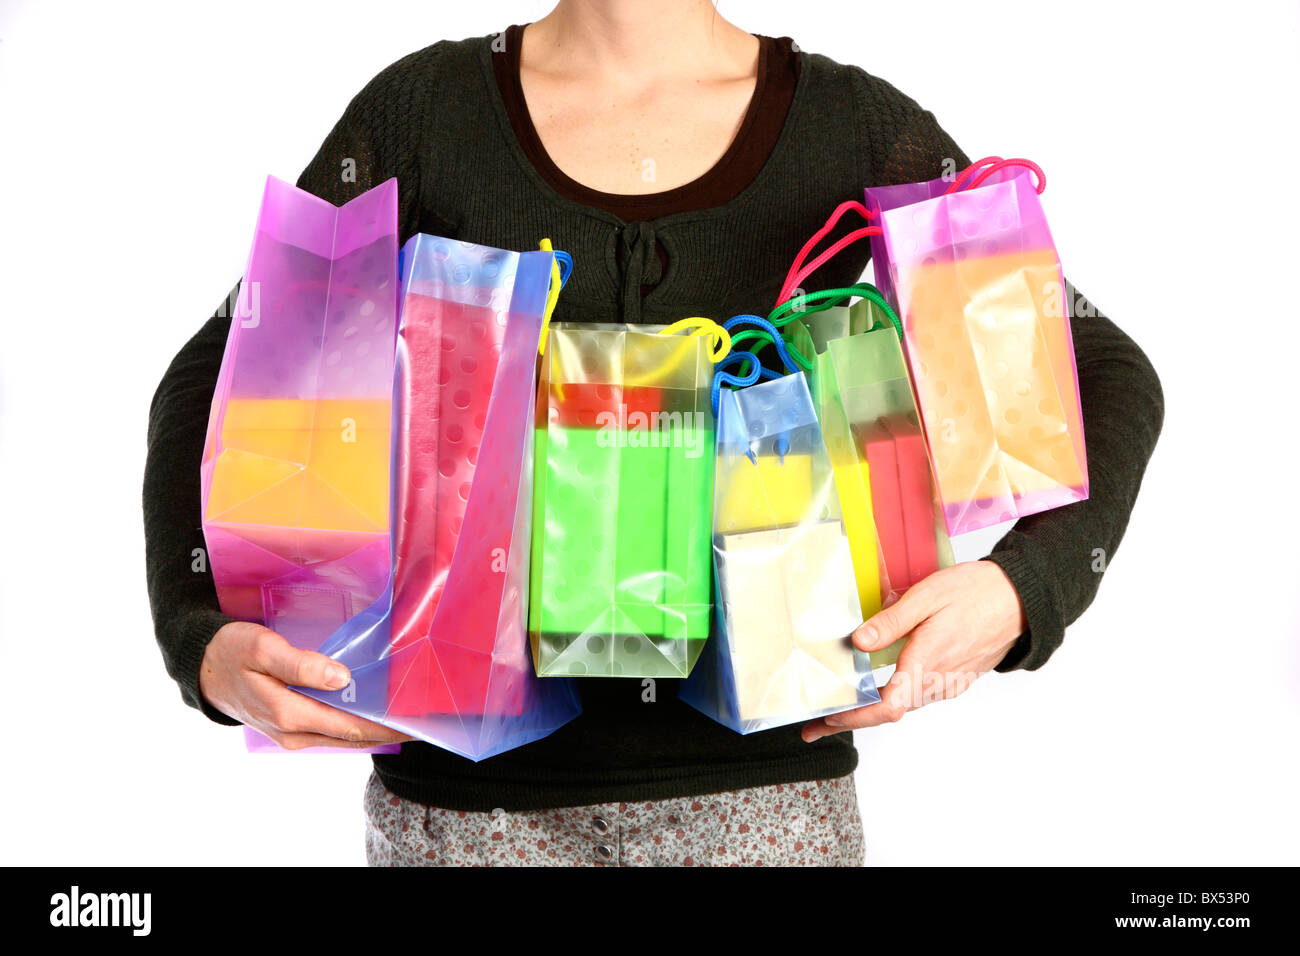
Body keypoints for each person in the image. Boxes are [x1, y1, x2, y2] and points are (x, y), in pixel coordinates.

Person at [144, 1, 1163, 866]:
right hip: (459, 816)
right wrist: (200, 633)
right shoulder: (422, 113)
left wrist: (1023, 589)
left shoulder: (849, 126)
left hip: (768, 809)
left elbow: (1101, 367)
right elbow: (221, 365)